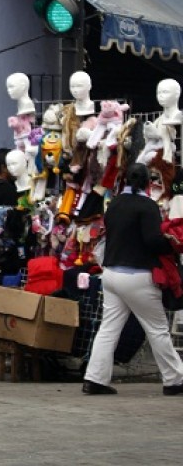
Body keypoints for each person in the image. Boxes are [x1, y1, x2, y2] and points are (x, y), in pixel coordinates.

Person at [82, 163, 183, 395]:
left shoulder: (114, 204)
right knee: (157, 329)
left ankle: (94, 379)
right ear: (148, 183)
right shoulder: (147, 206)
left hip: (111, 275)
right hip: (138, 276)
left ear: (125, 181)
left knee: (108, 329)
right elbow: (152, 240)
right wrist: (171, 240)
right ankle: (174, 380)